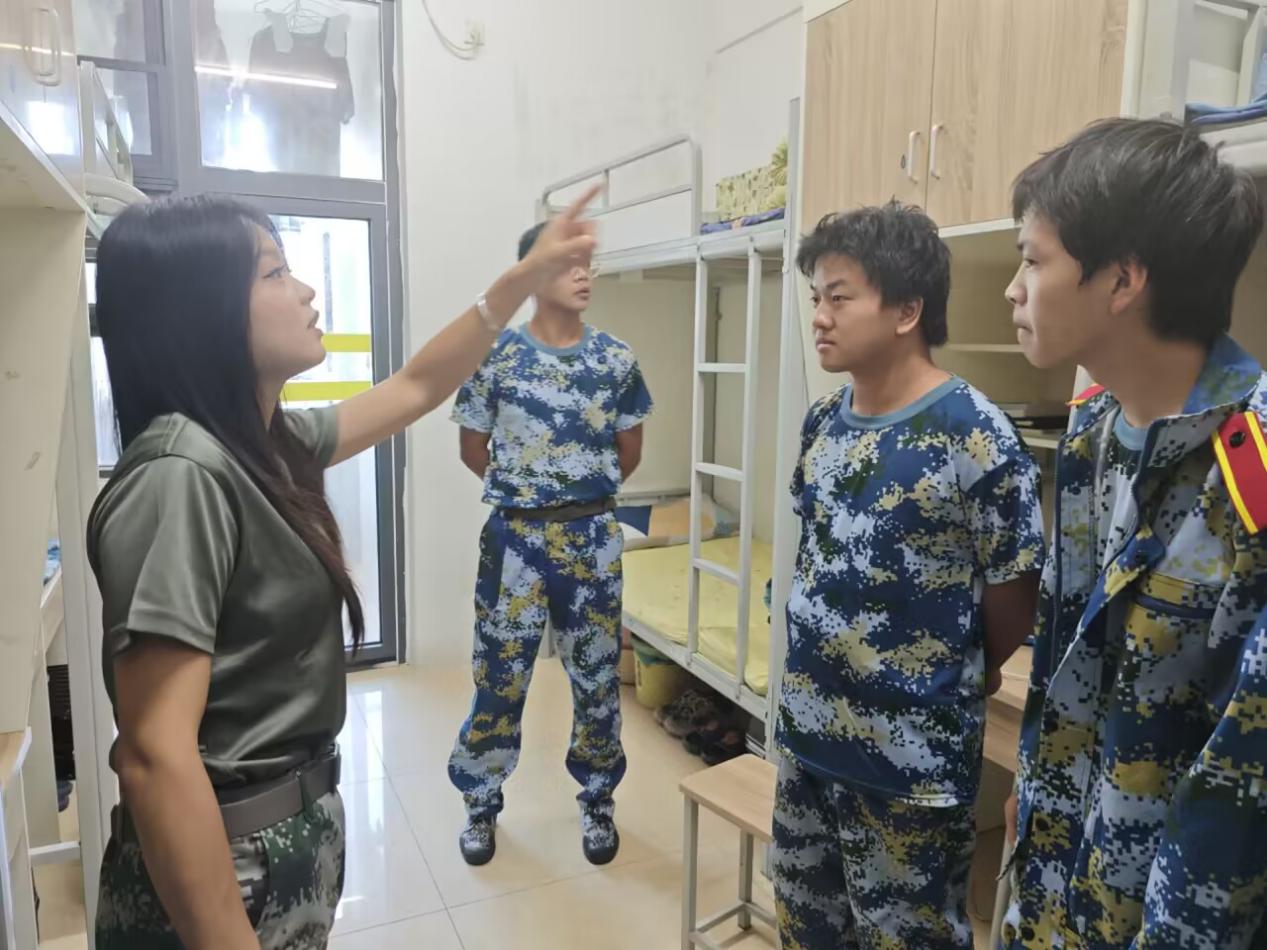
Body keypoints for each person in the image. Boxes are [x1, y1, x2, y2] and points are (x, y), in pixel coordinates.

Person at [87, 187, 598, 949]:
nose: (305, 290)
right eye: (273, 272)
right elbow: (155, 757)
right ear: (200, 310)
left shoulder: (262, 445)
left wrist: (521, 280)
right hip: (227, 861)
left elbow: (416, 386)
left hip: (280, 841)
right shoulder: (179, 476)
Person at [1001, 118, 1267, 948]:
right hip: (1050, 891)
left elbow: (1239, 794)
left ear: (1121, 281)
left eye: (1032, 260)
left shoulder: (1252, 473)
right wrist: (1031, 800)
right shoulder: (1092, 431)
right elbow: (1065, 660)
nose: (1012, 288)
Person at [774, 202, 1045, 949]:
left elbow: (1014, 596)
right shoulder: (823, 422)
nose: (819, 317)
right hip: (808, 745)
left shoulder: (974, 434)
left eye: (839, 297)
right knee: (805, 927)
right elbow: (817, 555)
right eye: (816, 297)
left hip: (908, 770)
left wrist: (959, 669)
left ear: (906, 310)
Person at [447, 221, 653, 868]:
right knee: (499, 676)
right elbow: (472, 448)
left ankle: (598, 797)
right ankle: (481, 799)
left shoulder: (615, 360)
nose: (584, 274)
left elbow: (629, 451)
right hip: (514, 540)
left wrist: (574, 497)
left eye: (589, 262)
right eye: (569, 263)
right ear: (533, 273)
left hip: (591, 538)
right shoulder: (496, 357)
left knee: (596, 678)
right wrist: (528, 492)